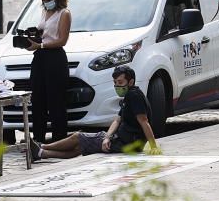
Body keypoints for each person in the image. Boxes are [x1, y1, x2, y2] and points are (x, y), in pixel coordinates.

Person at [29, 65, 160, 161]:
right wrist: (107, 136)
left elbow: (144, 121)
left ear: (130, 82)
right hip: (121, 140)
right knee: (80, 148)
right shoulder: (129, 95)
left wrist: (153, 146)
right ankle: (41, 152)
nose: (117, 86)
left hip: (126, 142)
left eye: (120, 82)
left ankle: (42, 146)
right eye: (115, 83)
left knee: (77, 137)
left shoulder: (134, 96)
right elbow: (117, 120)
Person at [27, 0, 72, 143]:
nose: (46, 3)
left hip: (55, 58)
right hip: (40, 57)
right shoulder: (44, 12)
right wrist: (32, 39)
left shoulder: (64, 13)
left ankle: (59, 139)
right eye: (44, 0)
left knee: (56, 100)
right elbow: (43, 33)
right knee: (38, 99)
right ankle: (38, 139)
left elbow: (62, 40)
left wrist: (41, 44)